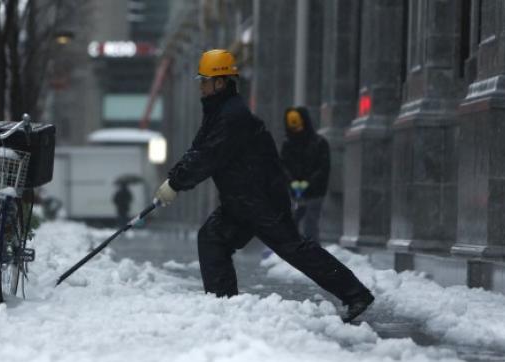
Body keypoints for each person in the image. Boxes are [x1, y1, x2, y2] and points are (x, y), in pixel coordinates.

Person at [154, 49, 373, 322]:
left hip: (261, 200)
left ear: (220, 82)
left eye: (205, 80)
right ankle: (224, 305)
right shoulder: (218, 111)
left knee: (294, 249)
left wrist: (176, 183)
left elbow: (209, 156)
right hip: (241, 201)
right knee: (212, 238)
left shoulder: (232, 116)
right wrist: (173, 178)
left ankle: (356, 294)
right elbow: (197, 149)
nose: (201, 85)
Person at [280, 107, 330, 242]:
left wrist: (308, 182)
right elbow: (283, 166)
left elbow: (323, 167)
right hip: (296, 192)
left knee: (310, 224)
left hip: (315, 192)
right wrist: (292, 182)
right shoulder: (288, 144)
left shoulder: (319, 143)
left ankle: (312, 254)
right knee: (294, 221)